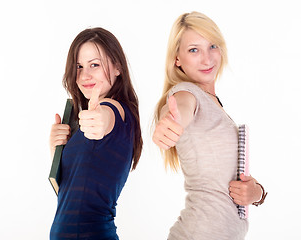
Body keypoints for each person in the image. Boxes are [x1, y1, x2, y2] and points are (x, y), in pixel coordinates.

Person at [152, 12, 267, 240]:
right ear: (177, 58)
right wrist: (171, 122)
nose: (207, 59)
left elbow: (227, 178)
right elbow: (180, 108)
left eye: (212, 46)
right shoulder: (186, 92)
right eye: (194, 50)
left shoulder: (213, 103)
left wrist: (257, 193)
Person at [49, 27, 142, 240]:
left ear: (117, 67)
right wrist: (57, 151)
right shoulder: (82, 123)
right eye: (79, 66)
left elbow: (106, 117)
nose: (85, 75)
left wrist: (98, 120)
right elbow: (72, 197)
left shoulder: (115, 109)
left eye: (95, 65)